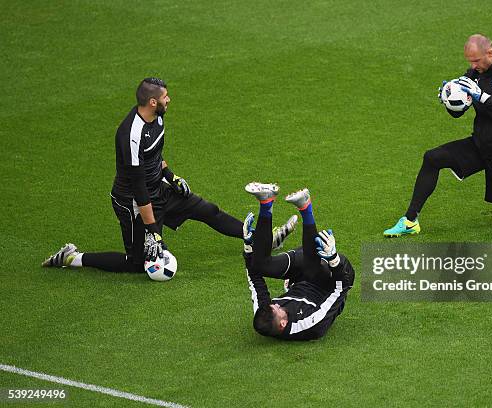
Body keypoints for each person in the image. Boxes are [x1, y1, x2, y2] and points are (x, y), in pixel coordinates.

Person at [43, 78, 296, 272]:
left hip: (159, 188)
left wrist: (171, 177)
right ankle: (72, 257)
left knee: (208, 210)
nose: (169, 100)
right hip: (133, 201)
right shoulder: (130, 134)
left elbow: (156, 157)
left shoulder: (158, 119)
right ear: (152, 102)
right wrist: (153, 231)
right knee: (135, 263)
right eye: (165, 97)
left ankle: (264, 239)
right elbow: (138, 187)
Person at [384, 34, 492, 237]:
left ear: (490, 53)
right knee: (432, 158)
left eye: (476, 60)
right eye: (470, 61)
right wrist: (449, 100)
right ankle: (410, 221)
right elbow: (458, 112)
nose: (473, 66)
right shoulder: (475, 74)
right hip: (480, 145)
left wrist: (483, 97)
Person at [242, 182, 354, 341]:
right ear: (282, 323)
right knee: (311, 270)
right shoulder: (311, 324)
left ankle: (266, 202)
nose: (276, 304)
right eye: (277, 308)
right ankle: (305, 207)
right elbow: (340, 290)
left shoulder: (265, 313)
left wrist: (248, 247)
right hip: (334, 278)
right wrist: (334, 260)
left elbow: (254, 277)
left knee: (259, 265)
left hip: (301, 273)